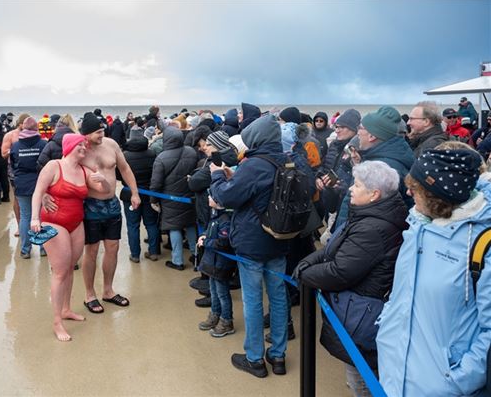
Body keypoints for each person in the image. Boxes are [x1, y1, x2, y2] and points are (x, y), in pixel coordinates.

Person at [376, 148, 491, 396]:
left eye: (415, 188)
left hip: (443, 385)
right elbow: (402, 294)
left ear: (437, 195)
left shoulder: (483, 243)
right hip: (394, 371)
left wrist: (458, 380)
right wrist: (386, 332)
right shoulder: (418, 226)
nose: (408, 193)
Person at [294, 161, 408, 397]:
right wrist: (308, 262)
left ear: (374, 194)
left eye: (357, 185)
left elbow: (340, 271)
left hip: (362, 314)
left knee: (363, 380)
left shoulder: (373, 228)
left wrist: (305, 274)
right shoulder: (368, 214)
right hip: (355, 308)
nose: (351, 189)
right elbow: (333, 247)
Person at [210, 114, 289, 378]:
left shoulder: (255, 165)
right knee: (278, 297)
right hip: (281, 238)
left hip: (253, 241)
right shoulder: (289, 159)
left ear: (256, 139)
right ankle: (278, 356)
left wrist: (218, 175)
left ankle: (255, 358)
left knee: (253, 300)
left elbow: (224, 196)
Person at [45, 112, 141, 314]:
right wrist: (45, 194)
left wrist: (134, 192)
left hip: (112, 203)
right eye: (98, 132)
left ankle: (108, 290)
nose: (102, 134)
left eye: (102, 130)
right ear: (86, 134)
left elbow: (124, 168)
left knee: (113, 247)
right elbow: (59, 171)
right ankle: (90, 294)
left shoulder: (111, 144)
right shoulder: (79, 149)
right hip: (90, 205)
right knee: (92, 250)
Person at [31, 134, 109, 342]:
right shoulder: (53, 166)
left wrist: (104, 181)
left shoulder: (84, 170)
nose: (84, 148)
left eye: (85, 146)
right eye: (80, 146)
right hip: (53, 222)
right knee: (60, 272)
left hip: (76, 223)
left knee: (71, 267)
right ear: (70, 146)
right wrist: (34, 218)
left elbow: (105, 190)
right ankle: (57, 322)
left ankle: (66, 309)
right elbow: (38, 192)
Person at [150, 126, 198, 271]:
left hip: (170, 197)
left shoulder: (161, 158)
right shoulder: (191, 152)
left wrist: (153, 200)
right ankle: (196, 255)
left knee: (174, 226)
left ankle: (178, 261)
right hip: (189, 194)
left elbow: (156, 182)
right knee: (190, 224)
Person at [197, 196, 236, 338]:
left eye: (211, 195)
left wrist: (206, 242)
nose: (208, 197)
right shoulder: (214, 216)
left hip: (221, 264)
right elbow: (209, 231)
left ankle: (227, 321)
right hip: (212, 263)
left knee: (222, 293)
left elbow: (223, 243)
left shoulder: (226, 220)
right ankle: (215, 314)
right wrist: (203, 235)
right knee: (213, 291)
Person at [117, 135, 160, 263]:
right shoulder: (152, 154)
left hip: (129, 194)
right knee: (151, 223)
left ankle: (135, 255)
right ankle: (153, 252)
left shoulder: (125, 156)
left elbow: (118, 175)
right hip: (149, 194)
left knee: (133, 225)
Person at [10, 117, 47, 259]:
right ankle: (43, 248)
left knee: (25, 217)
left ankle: (25, 250)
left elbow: (13, 164)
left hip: (22, 183)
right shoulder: (43, 144)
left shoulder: (16, 146)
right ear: (36, 129)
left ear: (23, 129)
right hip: (40, 182)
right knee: (41, 215)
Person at [2, 113, 30, 237]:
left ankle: (32, 223)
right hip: (15, 168)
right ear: (20, 124)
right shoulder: (10, 135)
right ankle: (20, 226)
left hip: (31, 168)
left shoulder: (32, 133)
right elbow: (3, 153)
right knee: (18, 197)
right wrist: (16, 150)